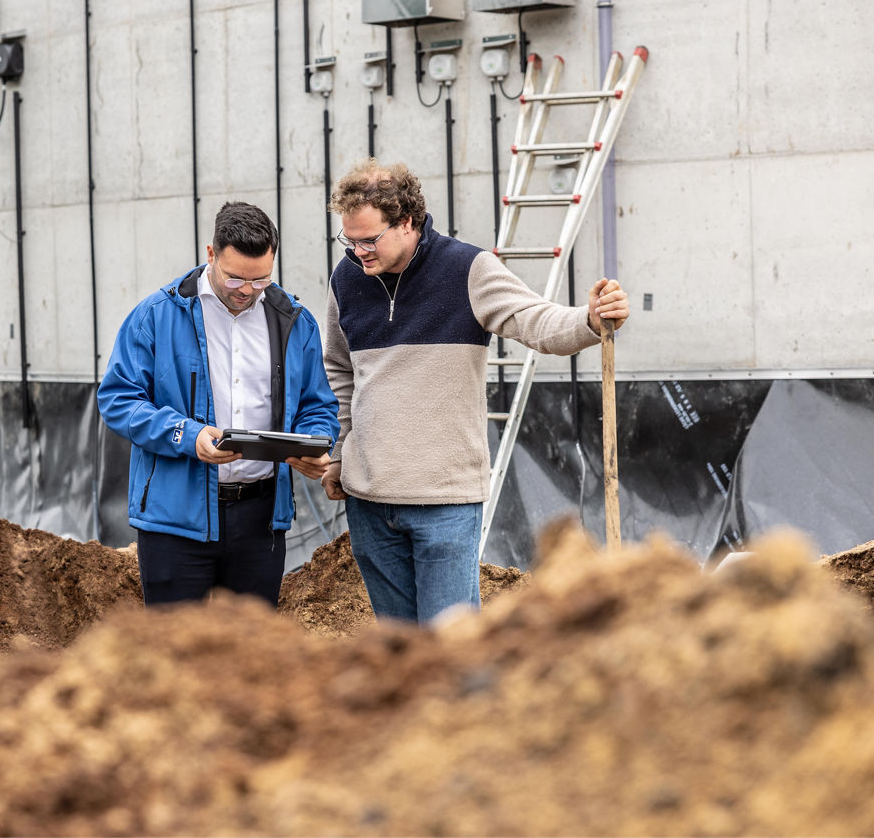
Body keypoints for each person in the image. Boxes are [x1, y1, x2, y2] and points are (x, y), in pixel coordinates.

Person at [321, 160, 629, 625]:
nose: (357, 252)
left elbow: (536, 320)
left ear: (406, 222)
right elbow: (340, 372)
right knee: (398, 649)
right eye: (349, 240)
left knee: (453, 643)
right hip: (368, 502)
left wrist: (588, 320)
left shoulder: (467, 269)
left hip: (444, 501)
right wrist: (339, 453)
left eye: (368, 239)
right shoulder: (345, 281)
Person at [98, 201, 340, 607]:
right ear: (211, 254)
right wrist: (186, 435)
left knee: (250, 643)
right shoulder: (156, 315)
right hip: (175, 520)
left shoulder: (294, 321)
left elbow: (318, 404)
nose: (247, 290)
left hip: (261, 521)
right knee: (175, 642)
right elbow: (118, 399)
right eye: (235, 278)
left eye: (260, 279)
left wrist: (313, 443)